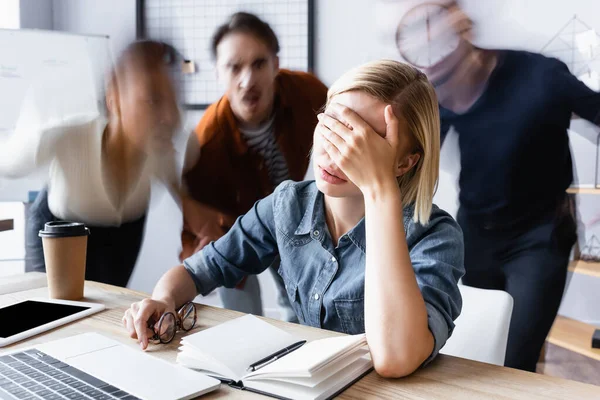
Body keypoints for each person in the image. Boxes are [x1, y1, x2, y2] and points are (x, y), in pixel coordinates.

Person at [123, 59, 464, 377]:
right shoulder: (289, 203)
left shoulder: (435, 236)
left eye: (364, 142)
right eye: (333, 125)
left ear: (405, 162)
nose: (336, 150)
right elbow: (201, 269)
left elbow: (395, 358)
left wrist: (380, 191)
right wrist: (164, 299)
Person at [397, 1, 600, 372]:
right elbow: (418, 157)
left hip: (540, 238)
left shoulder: (542, 75)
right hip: (475, 234)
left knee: (513, 360)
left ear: (465, 31)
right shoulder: (441, 92)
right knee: (464, 349)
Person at [181, 12, 328, 320]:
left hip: (295, 218)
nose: (247, 81)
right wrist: (199, 256)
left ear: (275, 64)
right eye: (234, 68)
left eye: (258, 63)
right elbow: (195, 221)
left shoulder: (308, 93)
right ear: (219, 73)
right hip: (235, 229)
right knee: (240, 314)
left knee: (301, 310)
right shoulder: (205, 143)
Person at [0, 40, 182, 287]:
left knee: (111, 308)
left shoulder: (162, 146)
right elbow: (8, 163)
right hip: (60, 230)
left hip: (122, 235)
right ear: (114, 97)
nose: (169, 116)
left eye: (173, 98)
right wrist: (36, 121)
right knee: (65, 313)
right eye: (153, 99)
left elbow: (187, 196)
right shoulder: (66, 133)